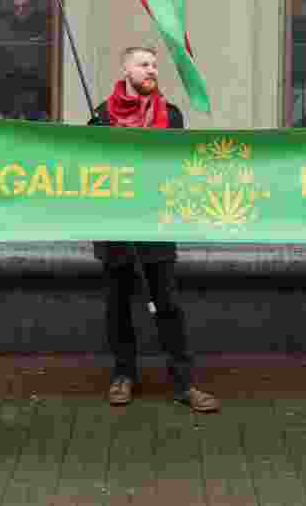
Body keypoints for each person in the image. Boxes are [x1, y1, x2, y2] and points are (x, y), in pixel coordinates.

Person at [89, 46, 220, 413]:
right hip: (115, 225)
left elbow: (178, 164)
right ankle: (123, 375)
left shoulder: (171, 115)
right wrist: (95, 139)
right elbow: (90, 166)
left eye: (154, 66)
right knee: (118, 306)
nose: (152, 71)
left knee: (167, 303)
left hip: (157, 223)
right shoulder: (102, 116)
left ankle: (183, 381)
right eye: (144, 65)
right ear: (125, 69)